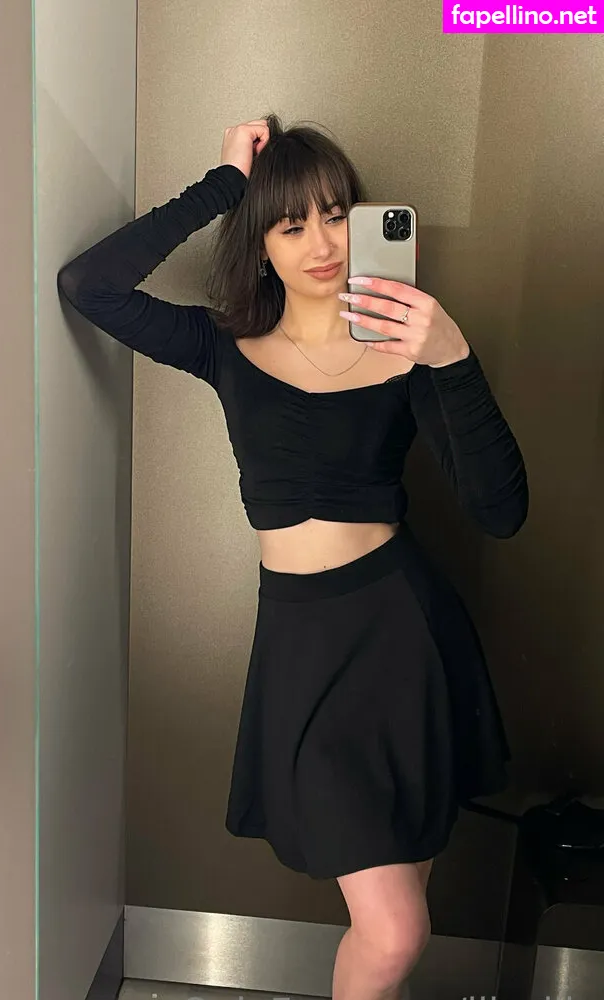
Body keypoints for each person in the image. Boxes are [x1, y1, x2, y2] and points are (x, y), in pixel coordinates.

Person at [57, 114, 528, 1000]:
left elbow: (501, 514)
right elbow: (89, 284)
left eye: (337, 215)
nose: (323, 243)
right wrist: (223, 186)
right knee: (396, 929)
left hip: (409, 639)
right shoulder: (225, 347)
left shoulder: (410, 353)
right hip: (305, 649)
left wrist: (454, 357)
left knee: (396, 919)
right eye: (291, 223)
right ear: (261, 244)